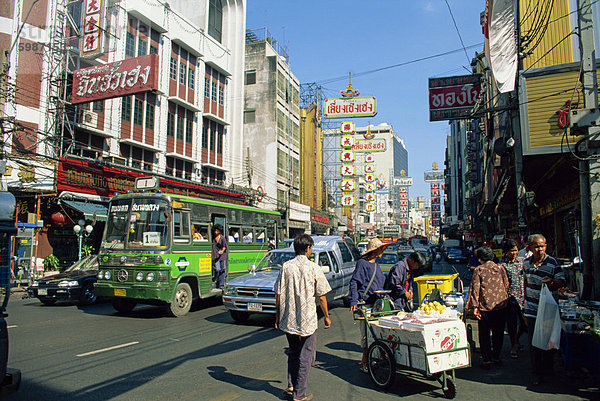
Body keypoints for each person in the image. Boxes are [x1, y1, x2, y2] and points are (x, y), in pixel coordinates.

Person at [275, 234, 331, 401]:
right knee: (306, 356)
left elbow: (278, 294)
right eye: (311, 248)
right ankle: (299, 394)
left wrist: (277, 318)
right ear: (307, 249)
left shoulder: (286, 267)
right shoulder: (314, 268)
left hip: (289, 319)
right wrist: (327, 316)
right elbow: (321, 296)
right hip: (308, 321)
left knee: (293, 352)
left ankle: (292, 385)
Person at [523, 234, 565, 385]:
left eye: (542, 246)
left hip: (547, 309)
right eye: (536, 246)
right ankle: (536, 373)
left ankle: (549, 369)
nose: (540, 249)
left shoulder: (552, 263)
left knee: (548, 342)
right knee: (534, 343)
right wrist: (524, 306)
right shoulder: (526, 263)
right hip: (531, 309)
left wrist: (552, 282)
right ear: (529, 248)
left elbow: (561, 282)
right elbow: (525, 283)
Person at [348, 237, 391, 373]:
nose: (382, 252)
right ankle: (365, 361)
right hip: (366, 304)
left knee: (378, 333)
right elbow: (354, 282)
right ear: (375, 250)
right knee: (367, 335)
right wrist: (353, 300)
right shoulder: (362, 264)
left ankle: (373, 358)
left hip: (377, 304)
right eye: (380, 249)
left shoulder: (377, 266)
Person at [466, 246, 509, 369]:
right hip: (500, 305)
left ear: (480, 258)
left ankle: (486, 360)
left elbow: (475, 289)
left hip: (485, 307)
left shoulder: (479, 270)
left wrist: (474, 307)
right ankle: (496, 356)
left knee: (484, 334)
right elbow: (506, 284)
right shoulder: (500, 267)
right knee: (498, 333)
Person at [499, 239, 527, 359]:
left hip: (523, 297)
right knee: (511, 324)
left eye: (515, 250)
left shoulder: (523, 262)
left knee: (525, 324)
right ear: (506, 252)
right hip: (510, 298)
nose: (514, 253)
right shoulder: (502, 265)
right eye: (511, 251)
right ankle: (513, 346)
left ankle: (516, 339)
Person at [211, 224, 228, 290]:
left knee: (222, 270)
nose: (216, 232)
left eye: (217, 231)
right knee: (217, 269)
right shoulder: (213, 238)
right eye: (215, 230)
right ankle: (214, 280)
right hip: (215, 256)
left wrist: (222, 251)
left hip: (222, 256)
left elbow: (224, 247)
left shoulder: (222, 238)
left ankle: (221, 285)